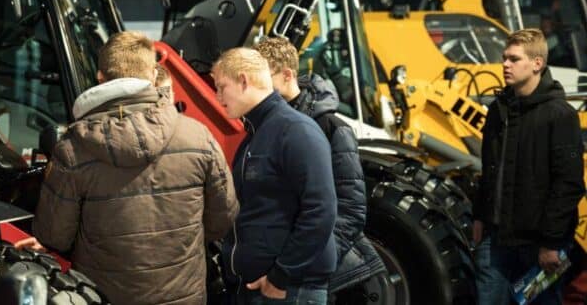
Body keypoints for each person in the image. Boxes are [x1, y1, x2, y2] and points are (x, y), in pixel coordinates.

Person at [25, 31, 239, 305]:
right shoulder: (198, 136)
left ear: (100, 77)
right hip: (184, 296)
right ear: (152, 75)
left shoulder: (72, 149)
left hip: (105, 295)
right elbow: (224, 217)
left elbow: (54, 235)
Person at [254, 37, 386, 302]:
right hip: (270, 271)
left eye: (263, 78)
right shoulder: (262, 125)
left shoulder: (331, 128)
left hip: (303, 276)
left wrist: (309, 263)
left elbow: (350, 209)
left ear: (287, 75)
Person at [212, 47, 337, 304]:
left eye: (221, 87)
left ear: (244, 81)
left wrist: (281, 276)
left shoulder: (296, 131)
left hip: (287, 291)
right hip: (262, 288)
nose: (217, 97)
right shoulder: (258, 133)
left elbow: (321, 211)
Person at [473, 28, 584, 305]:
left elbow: (568, 184)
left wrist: (551, 243)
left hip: (540, 246)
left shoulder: (560, 115)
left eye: (514, 59)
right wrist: (479, 216)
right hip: (495, 239)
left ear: (537, 64)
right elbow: (489, 169)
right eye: (504, 58)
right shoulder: (497, 110)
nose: (505, 65)